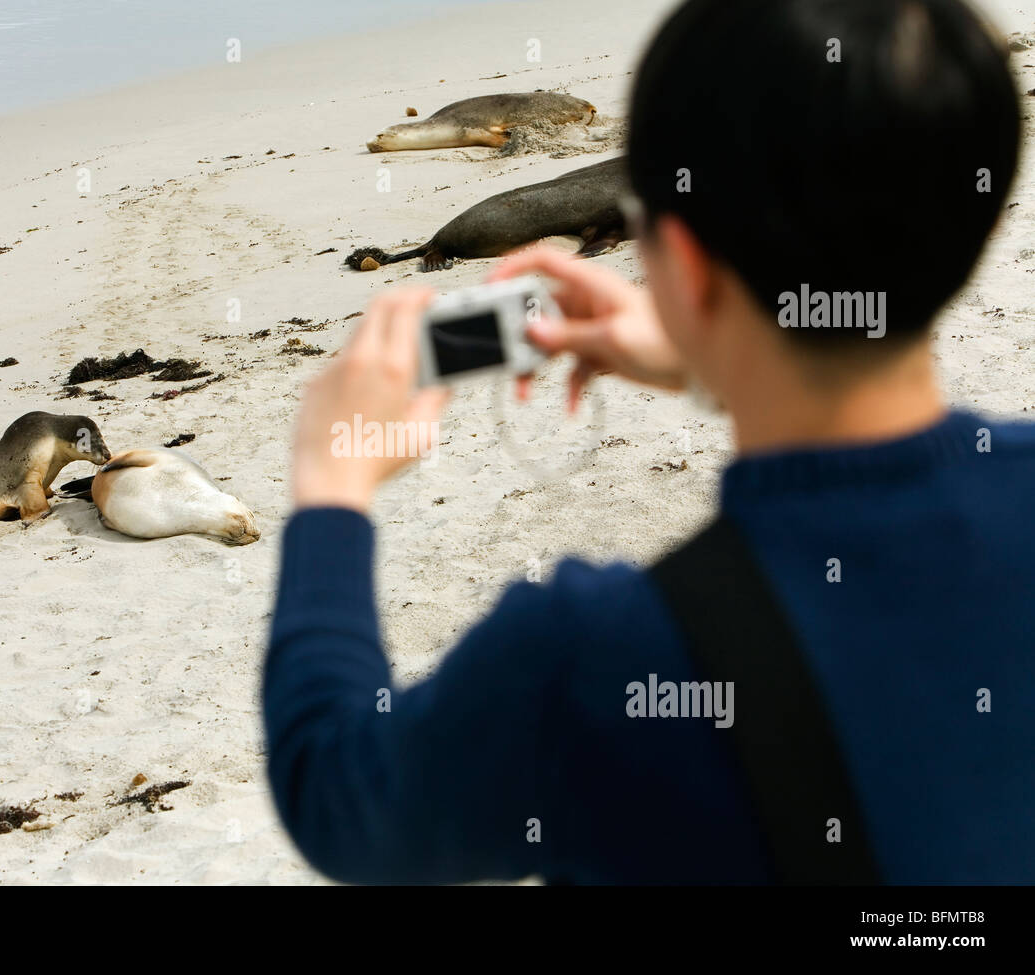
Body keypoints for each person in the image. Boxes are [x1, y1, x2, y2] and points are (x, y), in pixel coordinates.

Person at [263, 0, 1031, 883]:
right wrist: (720, 356)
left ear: (678, 260)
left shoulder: (586, 659)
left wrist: (332, 486)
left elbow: (337, 792)